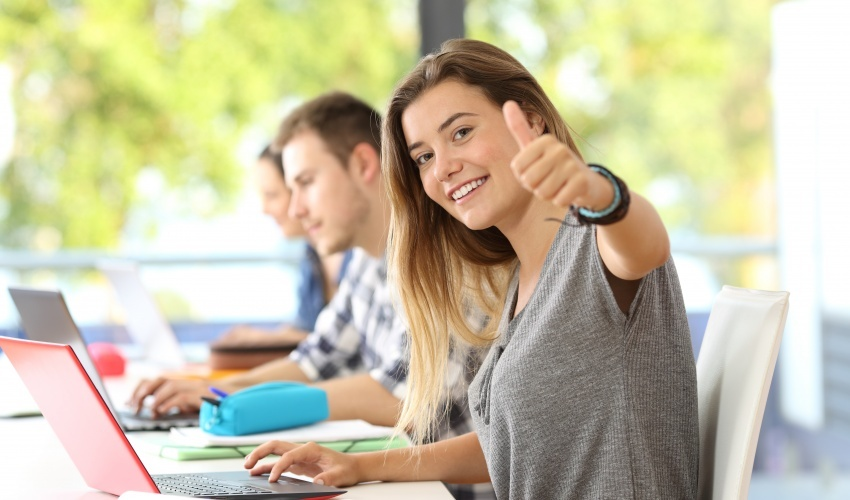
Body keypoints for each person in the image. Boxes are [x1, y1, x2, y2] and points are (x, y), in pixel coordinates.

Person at [243, 39, 699, 499]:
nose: (443, 168)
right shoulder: (519, 279)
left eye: (461, 133)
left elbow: (646, 245)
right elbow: (507, 446)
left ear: (531, 120)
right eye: (424, 157)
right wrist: (358, 465)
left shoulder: (593, 241)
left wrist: (599, 192)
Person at [129, 91, 496, 500]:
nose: (296, 209)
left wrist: (251, 404)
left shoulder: (447, 258)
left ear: (363, 164)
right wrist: (219, 392)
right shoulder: (367, 260)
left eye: (305, 183)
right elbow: (315, 359)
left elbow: (406, 399)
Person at [212, 145, 351, 349]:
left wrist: (267, 339)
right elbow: (308, 332)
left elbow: (348, 342)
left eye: (272, 195)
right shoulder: (311, 256)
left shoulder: (363, 255)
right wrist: (263, 338)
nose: (264, 209)